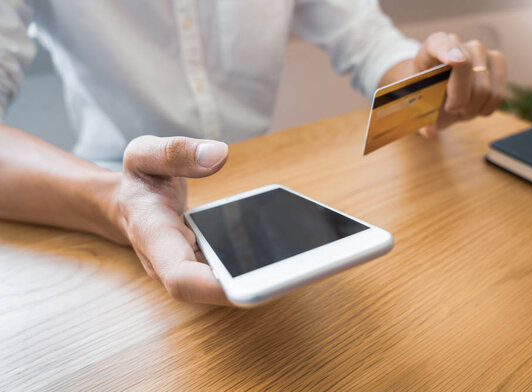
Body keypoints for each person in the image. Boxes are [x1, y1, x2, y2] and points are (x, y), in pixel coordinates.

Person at [0, 1, 506, 305]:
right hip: (96, 203)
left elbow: (372, 45)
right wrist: (112, 200)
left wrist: (432, 86)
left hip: (260, 190)